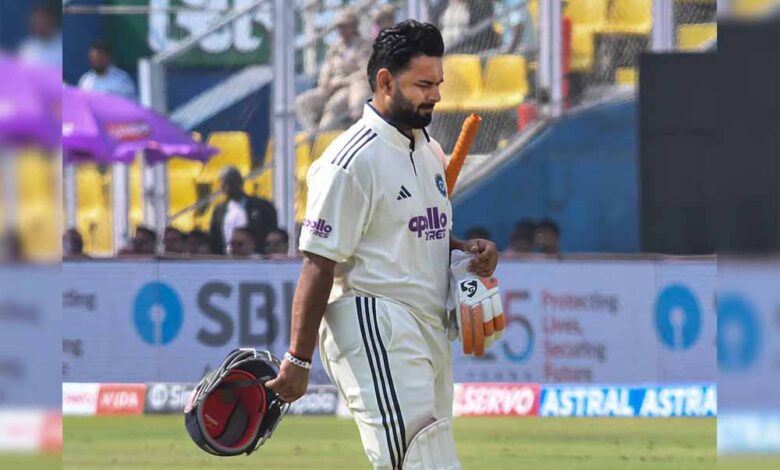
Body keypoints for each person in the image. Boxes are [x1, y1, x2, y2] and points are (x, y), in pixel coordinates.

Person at [267, 20, 499, 469]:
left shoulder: (427, 150)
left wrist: (465, 249)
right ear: (386, 82)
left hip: (427, 326)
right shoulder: (349, 162)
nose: (436, 95)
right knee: (418, 462)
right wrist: (298, 359)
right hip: (375, 322)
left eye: (438, 84)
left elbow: (413, 229)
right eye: (424, 85)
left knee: (430, 459)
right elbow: (318, 264)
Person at [295, 8, 372, 133]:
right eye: (339, 27)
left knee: (334, 105)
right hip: (330, 87)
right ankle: (312, 135)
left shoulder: (363, 45)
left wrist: (342, 82)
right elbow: (327, 67)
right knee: (303, 102)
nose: (341, 30)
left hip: (349, 87)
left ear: (353, 26)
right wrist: (324, 80)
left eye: (344, 26)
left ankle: (323, 135)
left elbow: (365, 72)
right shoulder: (335, 47)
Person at [209, 166, 278, 255]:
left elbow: (271, 232)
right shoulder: (219, 211)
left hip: (255, 257)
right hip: (226, 258)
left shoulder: (261, 206)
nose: (227, 187)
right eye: (224, 184)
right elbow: (215, 237)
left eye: (230, 182)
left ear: (240, 182)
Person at [433, 0, 501, 53]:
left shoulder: (476, 7)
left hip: (465, 49)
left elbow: (481, 32)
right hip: (442, 47)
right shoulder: (441, 5)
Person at [17, 2, 62, 66]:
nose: (39, 24)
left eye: (43, 20)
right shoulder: (26, 48)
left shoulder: (61, 44)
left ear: (51, 20)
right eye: (37, 21)